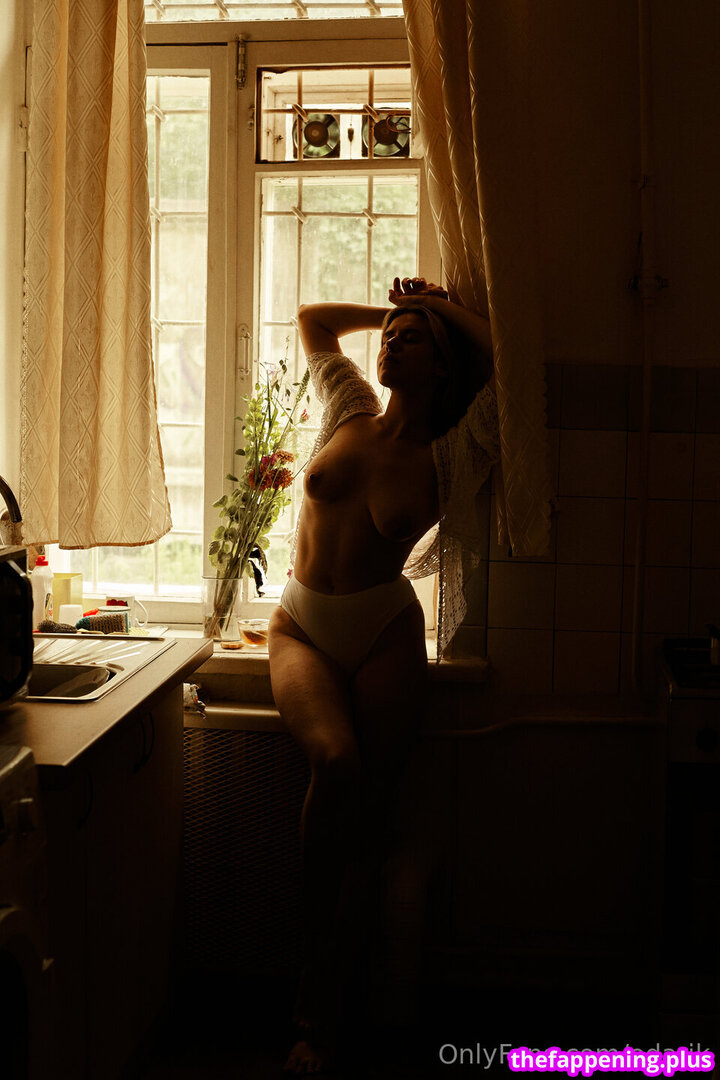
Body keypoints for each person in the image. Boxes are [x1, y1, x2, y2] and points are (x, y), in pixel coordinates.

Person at [268, 277, 498, 1074]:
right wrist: (398, 310)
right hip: (300, 625)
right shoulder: (349, 410)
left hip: (385, 633)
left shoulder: (452, 450)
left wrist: (438, 307)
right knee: (334, 763)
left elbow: (502, 362)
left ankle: (329, 1016)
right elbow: (314, 320)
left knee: (368, 821)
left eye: (412, 339)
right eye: (390, 336)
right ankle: (313, 980)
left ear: (441, 366)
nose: (392, 342)